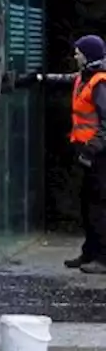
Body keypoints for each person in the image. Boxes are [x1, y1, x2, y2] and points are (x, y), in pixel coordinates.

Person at [16, 35, 106, 272]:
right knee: (87, 204)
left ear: (88, 56)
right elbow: (65, 79)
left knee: (99, 205)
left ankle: (103, 259)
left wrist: (92, 149)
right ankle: (90, 253)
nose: (75, 56)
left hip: (99, 156)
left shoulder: (100, 83)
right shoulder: (84, 79)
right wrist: (37, 78)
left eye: (78, 52)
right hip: (88, 152)